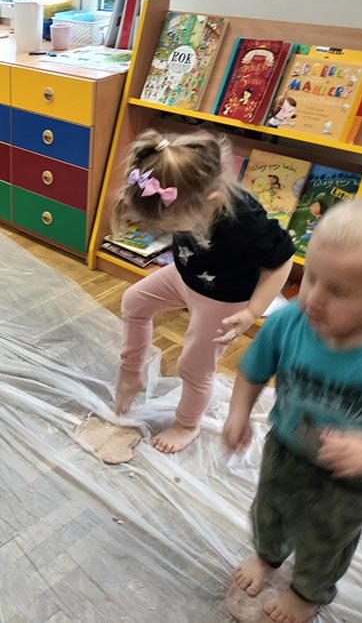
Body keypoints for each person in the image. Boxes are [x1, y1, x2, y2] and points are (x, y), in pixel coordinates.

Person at [223, 199, 362, 623]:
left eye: (338, 291)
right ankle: (268, 555)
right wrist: (237, 413)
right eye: (312, 277)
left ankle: (307, 593)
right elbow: (252, 371)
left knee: (326, 540)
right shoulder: (289, 323)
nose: (315, 299)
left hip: (352, 481)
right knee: (268, 510)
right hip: (286, 448)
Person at [111, 130, 294, 453]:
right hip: (185, 276)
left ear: (209, 201)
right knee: (134, 301)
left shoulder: (246, 220)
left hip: (223, 300)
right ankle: (131, 374)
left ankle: (187, 424)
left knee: (195, 366)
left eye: (172, 226)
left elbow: (282, 261)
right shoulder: (184, 188)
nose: (167, 231)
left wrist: (252, 312)